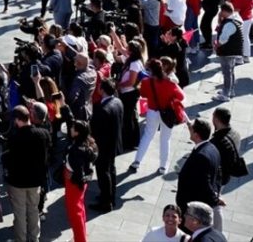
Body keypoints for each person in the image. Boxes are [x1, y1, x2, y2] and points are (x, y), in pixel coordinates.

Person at [131, 57, 186, 174]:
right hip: (167, 113)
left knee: (147, 136)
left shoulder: (146, 82)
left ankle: (137, 161)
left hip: (152, 112)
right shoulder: (170, 83)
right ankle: (163, 167)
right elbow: (181, 97)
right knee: (165, 139)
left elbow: (143, 94)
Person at [4, 104, 50, 242]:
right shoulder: (43, 134)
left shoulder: (14, 138)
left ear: (17, 120)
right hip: (36, 181)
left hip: (18, 182)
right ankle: (34, 238)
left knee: (19, 213)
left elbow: (9, 160)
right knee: (33, 210)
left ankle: (21, 239)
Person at [175, 119, 221, 220]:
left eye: (191, 129)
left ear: (196, 135)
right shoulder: (212, 148)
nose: (189, 130)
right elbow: (219, 174)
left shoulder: (201, 156)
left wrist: (215, 199)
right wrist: (216, 192)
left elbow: (205, 183)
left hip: (193, 207)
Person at [210, 107, 246, 232]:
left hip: (218, 179)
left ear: (216, 119)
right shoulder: (235, 133)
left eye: (213, 117)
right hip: (226, 176)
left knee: (215, 205)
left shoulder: (217, 141)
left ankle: (218, 232)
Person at [89, 78, 124, 212]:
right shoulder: (118, 101)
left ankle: (106, 202)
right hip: (114, 143)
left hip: (103, 146)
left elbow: (95, 130)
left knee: (103, 174)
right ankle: (110, 195)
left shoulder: (101, 108)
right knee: (111, 170)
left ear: (102, 90)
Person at [63, 120, 97, 242]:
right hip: (82, 184)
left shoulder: (76, 150)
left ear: (77, 133)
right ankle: (80, 236)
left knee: (75, 214)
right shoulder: (90, 143)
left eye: (73, 128)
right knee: (80, 209)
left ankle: (80, 239)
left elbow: (78, 173)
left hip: (74, 184)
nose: (71, 129)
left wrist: (70, 176)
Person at [213, 1, 243, 101]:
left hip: (228, 50)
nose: (220, 13)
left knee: (227, 72)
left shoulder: (229, 24)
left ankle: (226, 94)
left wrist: (217, 45)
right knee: (230, 71)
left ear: (224, 11)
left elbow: (223, 38)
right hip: (233, 50)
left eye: (221, 11)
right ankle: (230, 90)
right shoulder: (235, 19)